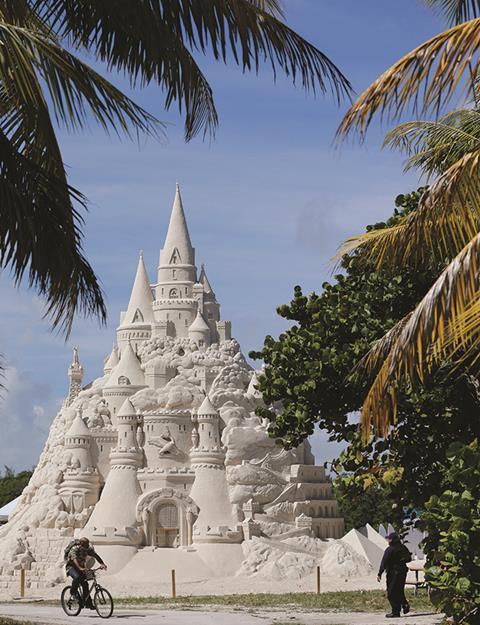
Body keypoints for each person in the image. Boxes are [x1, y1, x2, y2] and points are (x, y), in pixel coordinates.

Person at [65, 537, 107, 609]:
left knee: (85, 584)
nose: (88, 545)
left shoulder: (87, 549)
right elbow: (74, 559)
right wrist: (80, 568)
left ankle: (88, 604)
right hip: (71, 568)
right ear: (82, 543)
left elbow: (96, 556)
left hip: (81, 568)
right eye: (86, 544)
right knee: (77, 577)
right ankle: (73, 594)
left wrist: (102, 563)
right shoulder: (75, 549)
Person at [377, 532, 412, 618]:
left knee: (391, 592)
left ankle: (395, 612)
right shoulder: (403, 547)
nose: (388, 540)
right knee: (399, 590)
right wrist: (401, 560)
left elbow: (384, 562)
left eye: (389, 539)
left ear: (392, 540)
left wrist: (379, 573)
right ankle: (405, 604)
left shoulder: (390, 549)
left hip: (393, 573)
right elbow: (409, 558)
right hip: (403, 571)